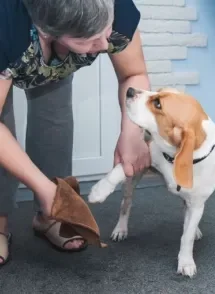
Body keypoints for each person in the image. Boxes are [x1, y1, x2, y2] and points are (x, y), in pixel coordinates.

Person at [0, 0, 151, 266]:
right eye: (91, 39)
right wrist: (41, 186)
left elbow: (133, 72)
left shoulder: (117, 10)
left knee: (54, 114)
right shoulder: (7, 22)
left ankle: (50, 216)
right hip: (11, 36)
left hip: (54, 44)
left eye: (106, 31)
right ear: (47, 31)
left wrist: (132, 132)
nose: (105, 46)